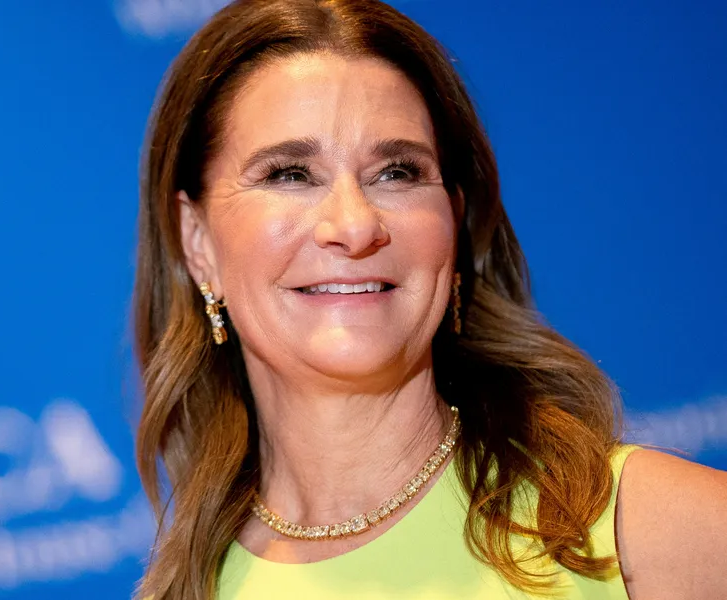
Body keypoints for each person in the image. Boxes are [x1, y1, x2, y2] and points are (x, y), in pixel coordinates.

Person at [131, 1, 727, 598]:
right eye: (290, 174)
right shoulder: (188, 589)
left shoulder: (646, 531)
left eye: (397, 172)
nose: (355, 226)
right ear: (197, 241)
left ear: (454, 221)